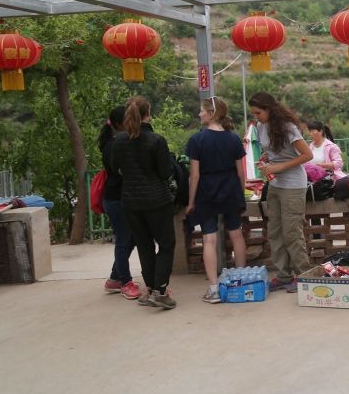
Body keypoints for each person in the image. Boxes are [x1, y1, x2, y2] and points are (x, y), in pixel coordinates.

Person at [109, 96, 177, 309]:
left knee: (144, 245)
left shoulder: (118, 141)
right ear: (149, 113)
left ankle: (150, 289)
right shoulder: (156, 140)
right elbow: (165, 172)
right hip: (157, 200)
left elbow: (114, 169)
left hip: (131, 201)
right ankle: (161, 290)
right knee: (166, 244)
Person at [249, 92, 313, 292]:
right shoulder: (261, 127)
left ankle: (304, 275)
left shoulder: (288, 128)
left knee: (292, 233)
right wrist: (267, 159)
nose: (256, 117)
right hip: (275, 185)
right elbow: (273, 150)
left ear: (269, 109)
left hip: (293, 186)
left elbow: (307, 155)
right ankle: (283, 275)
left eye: (258, 112)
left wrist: (278, 167)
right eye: (254, 113)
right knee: (275, 232)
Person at [186, 97, 248, 304]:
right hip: (230, 188)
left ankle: (213, 289)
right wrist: (240, 193)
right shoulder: (233, 138)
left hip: (206, 191)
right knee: (237, 235)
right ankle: (241, 281)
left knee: (209, 239)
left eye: (202, 111)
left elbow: (194, 175)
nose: (199, 114)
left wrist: (191, 201)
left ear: (211, 113)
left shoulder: (197, 140)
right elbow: (241, 172)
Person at [98, 106, 140, 300]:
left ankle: (115, 278)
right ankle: (125, 282)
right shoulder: (113, 145)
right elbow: (122, 171)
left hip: (121, 197)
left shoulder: (117, 142)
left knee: (130, 238)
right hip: (116, 199)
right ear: (121, 124)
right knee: (124, 240)